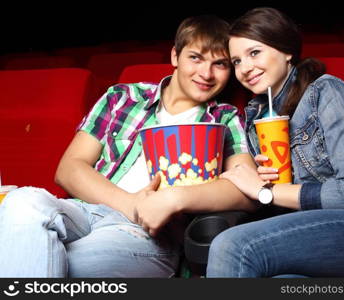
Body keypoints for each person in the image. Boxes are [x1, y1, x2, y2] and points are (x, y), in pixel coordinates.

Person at [0, 15, 257, 278]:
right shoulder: (122, 97)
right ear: (175, 56)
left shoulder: (224, 118)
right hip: (85, 210)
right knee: (22, 202)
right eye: (196, 58)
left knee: (62, 260)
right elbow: (68, 169)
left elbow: (246, 191)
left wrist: (172, 199)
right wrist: (132, 204)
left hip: (148, 233)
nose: (206, 73)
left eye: (220, 64)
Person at [206, 7, 344, 277]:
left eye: (254, 52)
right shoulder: (256, 114)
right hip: (316, 232)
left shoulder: (329, 91)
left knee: (232, 245)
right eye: (236, 61)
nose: (245, 68)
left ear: (286, 51)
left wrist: (265, 191)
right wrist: (265, 181)